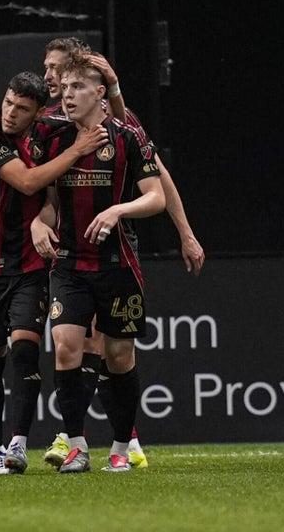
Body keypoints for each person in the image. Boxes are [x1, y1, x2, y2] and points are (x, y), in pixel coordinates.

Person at [37, 41, 203, 470]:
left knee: (118, 356)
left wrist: (117, 209)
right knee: (66, 346)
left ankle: (120, 449)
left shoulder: (128, 136)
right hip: (71, 262)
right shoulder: (54, 135)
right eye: (65, 85)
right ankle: (75, 446)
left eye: (77, 86)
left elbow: (154, 197)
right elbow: (49, 199)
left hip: (117, 263)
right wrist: (42, 220)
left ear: (99, 93)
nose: (67, 93)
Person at [0, 72, 105, 475]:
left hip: (30, 262)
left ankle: (17, 445)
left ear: (38, 112)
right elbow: (26, 182)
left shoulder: (50, 131)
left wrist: (108, 90)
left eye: (22, 108)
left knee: (25, 348)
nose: (11, 112)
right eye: (8, 102)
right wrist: (77, 151)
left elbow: (102, 122)